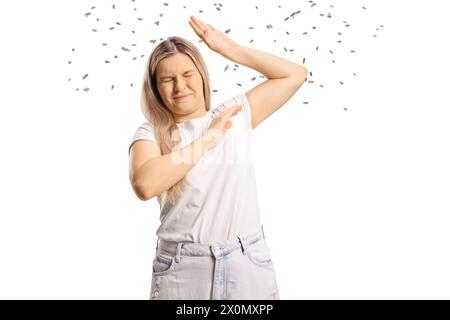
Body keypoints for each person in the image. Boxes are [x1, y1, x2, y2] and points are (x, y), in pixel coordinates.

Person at [128, 16, 307, 300]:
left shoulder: (233, 114)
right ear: (156, 88)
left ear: (201, 75)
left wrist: (231, 50)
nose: (180, 86)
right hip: (182, 269)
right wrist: (209, 139)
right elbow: (145, 185)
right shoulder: (150, 133)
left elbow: (295, 75)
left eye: (187, 74)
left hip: (246, 262)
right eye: (167, 79)